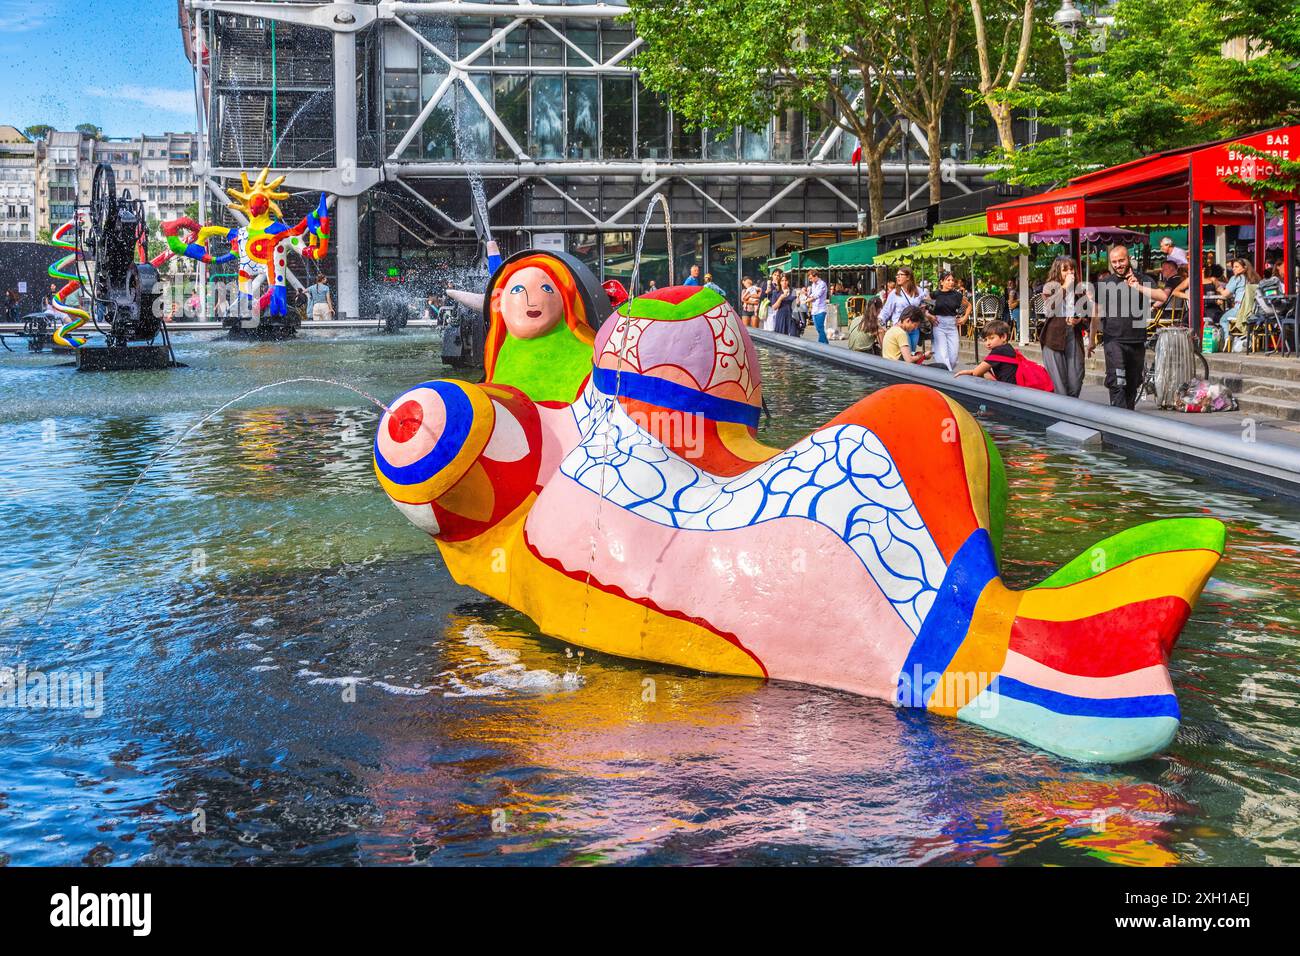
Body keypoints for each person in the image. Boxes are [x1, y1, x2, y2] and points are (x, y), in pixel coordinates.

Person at [1090, 243, 1170, 409]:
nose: (1118, 265)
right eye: (1114, 262)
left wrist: (1138, 287)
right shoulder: (1104, 283)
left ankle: (1128, 418)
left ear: (1129, 259)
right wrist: (1091, 340)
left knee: (1132, 384)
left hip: (1136, 340)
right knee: (1117, 382)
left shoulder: (1142, 279)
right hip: (1114, 340)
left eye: (1121, 260)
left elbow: (1162, 296)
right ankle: (1118, 421)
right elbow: (1095, 314)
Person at [1039, 256, 1091, 397]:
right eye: (1065, 269)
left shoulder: (1079, 291)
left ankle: (1070, 411)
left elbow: (1088, 318)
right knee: (1059, 386)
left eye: (1072, 269)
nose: (1070, 272)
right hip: (1053, 339)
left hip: (1073, 336)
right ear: (1057, 271)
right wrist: (1064, 287)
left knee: (1076, 381)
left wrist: (1079, 320)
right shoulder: (1049, 288)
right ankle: (1061, 416)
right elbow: (1050, 308)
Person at [928, 271, 969, 371]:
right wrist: (929, 316)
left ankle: (946, 372)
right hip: (938, 325)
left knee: (953, 357)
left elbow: (969, 305)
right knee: (943, 355)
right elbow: (923, 306)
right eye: (948, 280)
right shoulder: (934, 294)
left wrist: (965, 317)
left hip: (952, 326)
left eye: (952, 280)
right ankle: (948, 378)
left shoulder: (957, 295)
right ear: (941, 282)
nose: (951, 282)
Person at [879, 267, 926, 353]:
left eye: (901, 275)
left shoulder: (919, 291)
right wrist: (880, 321)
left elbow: (923, 304)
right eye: (897, 275)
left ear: (908, 277)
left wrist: (923, 310)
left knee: (912, 352)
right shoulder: (894, 293)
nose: (898, 277)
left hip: (914, 328)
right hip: (900, 328)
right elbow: (886, 311)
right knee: (905, 354)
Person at [1219, 257, 1259, 344]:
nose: (1233, 268)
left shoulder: (1237, 278)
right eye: (1233, 266)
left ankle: (1227, 339)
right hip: (1253, 312)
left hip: (1240, 310)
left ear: (1244, 268)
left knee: (1223, 319)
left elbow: (1226, 294)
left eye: (1237, 266)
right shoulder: (1255, 279)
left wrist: (1219, 288)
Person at [805, 268, 830, 344]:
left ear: (815, 276)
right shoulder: (813, 284)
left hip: (821, 309)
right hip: (814, 309)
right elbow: (812, 294)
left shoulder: (822, 284)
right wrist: (807, 296)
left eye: (811, 278)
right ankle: (825, 344)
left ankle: (822, 344)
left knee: (820, 327)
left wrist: (806, 301)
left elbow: (817, 295)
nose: (810, 280)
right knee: (818, 328)